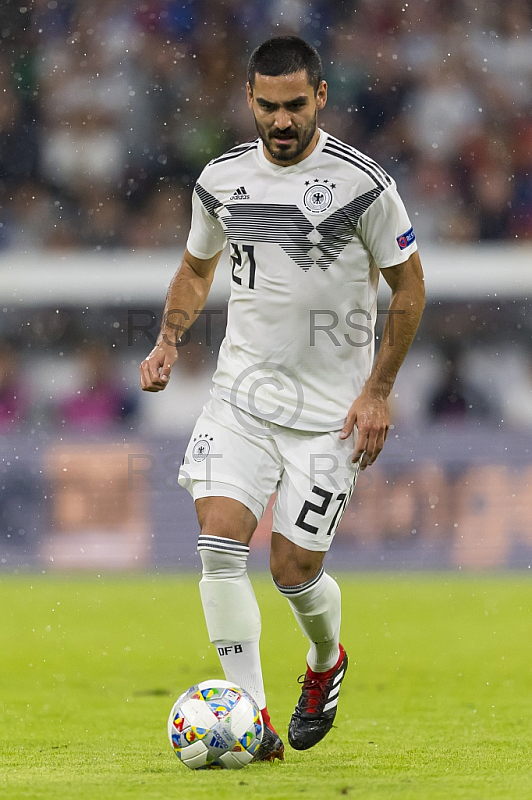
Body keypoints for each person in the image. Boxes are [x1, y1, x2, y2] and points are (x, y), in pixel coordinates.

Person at [140, 36, 425, 762]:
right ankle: (255, 720)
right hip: (241, 396)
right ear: (249, 101)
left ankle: (325, 661)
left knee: (292, 569)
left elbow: (411, 288)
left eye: (296, 104)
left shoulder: (363, 185)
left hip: (330, 416)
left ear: (321, 97)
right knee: (218, 543)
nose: (282, 119)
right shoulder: (223, 180)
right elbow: (196, 268)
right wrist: (171, 339)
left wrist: (378, 391)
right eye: (268, 106)